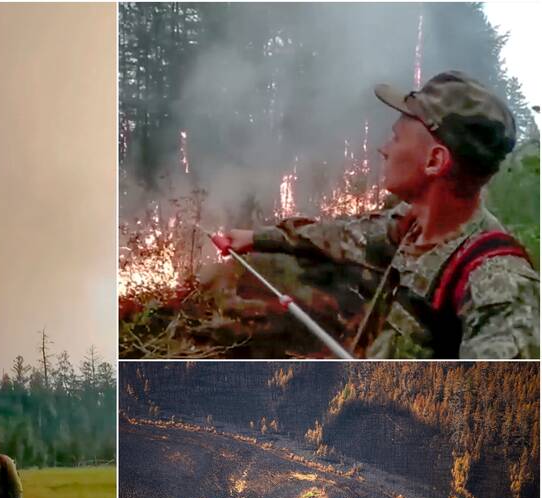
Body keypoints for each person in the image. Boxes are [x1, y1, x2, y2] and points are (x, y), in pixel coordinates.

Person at [214, 70, 538, 359]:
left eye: (396, 138)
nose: (383, 148)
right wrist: (255, 238)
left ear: (435, 161)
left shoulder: (500, 290)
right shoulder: (412, 226)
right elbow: (342, 236)